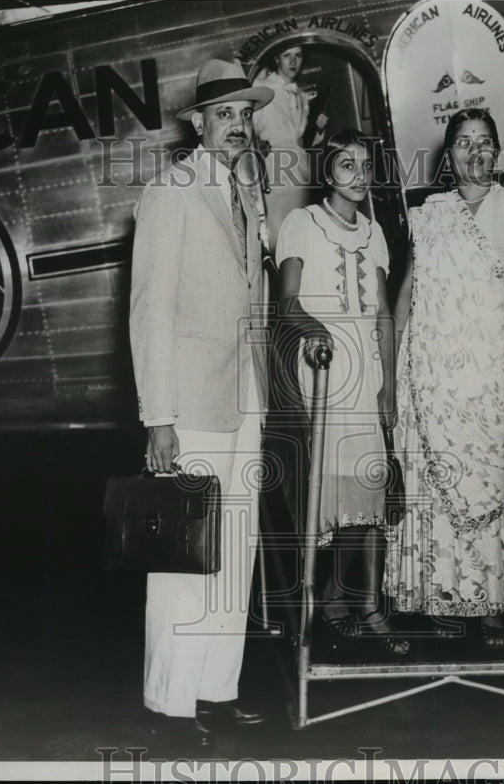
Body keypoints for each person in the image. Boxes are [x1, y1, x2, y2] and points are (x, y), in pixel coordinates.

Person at [129, 58, 274, 748]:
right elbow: (149, 311)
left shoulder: (246, 192)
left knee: (234, 549)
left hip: (243, 398)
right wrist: (158, 416)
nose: (238, 127)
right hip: (189, 405)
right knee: (184, 555)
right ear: (198, 123)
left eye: (245, 116)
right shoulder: (171, 192)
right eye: (225, 115)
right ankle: (169, 704)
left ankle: (217, 689)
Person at [383, 108, 504, 646]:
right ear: (449, 154)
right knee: (430, 485)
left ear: (498, 151)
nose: (476, 151)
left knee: (487, 480)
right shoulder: (429, 213)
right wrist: (391, 375)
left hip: (487, 372)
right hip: (430, 370)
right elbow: (405, 297)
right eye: (465, 142)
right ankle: (435, 598)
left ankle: (486, 603)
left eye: (486, 142)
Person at [276, 129, 408, 655]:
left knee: (371, 490)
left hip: (368, 373)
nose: (359, 174)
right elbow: (286, 302)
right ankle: (326, 598)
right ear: (327, 173)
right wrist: (317, 331)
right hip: (326, 372)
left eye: (365, 165)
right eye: (346, 165)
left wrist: (390, 386)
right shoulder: (300, 223)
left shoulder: (374, 232)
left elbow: (382, 314)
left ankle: (367, 603)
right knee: (336, 495)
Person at [253, 45, 329, 238]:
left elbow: (301, 139)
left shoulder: (301, 94)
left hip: (300, 173)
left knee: (301, 233)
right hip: (276, 171)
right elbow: (248, 126)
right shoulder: (260, 87)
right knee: (280, 233)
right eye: (287, 55)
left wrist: (318, 129)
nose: (293, 62)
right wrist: (257, 146)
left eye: (298, 55)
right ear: (276, 59)